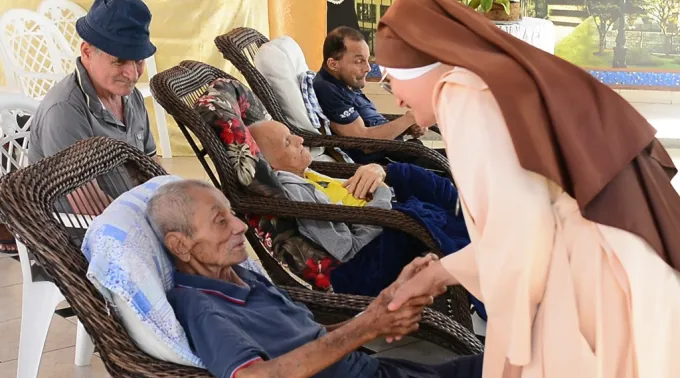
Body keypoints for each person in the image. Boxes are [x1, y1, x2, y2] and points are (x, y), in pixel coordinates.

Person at [374, 0, 680, 377]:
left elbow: (521, 236)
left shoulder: (460, 93)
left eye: (391, 78)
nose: (396, 96)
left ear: (424, 65)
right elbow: (527, 218)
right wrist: (440, 273)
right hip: (619, 254)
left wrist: (513, 354)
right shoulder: (493, 81)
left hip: (587, 279)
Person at [147, 179, 483, 378]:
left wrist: (381, 309)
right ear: (180, 244)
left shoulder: (241, 277)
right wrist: (367, 328)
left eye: (233, 214)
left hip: (380, 370)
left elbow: (309, 339)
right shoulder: (203, 307)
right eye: (221, 220)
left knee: (506, 362)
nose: (241, 226)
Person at [248, 120, 476, 302]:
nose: (300, 138)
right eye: (288, 142)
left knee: (431, 187)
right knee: (439, 213)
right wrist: (382, 197)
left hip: (377, 217)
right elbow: (348, 248)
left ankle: (481, 231)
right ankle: (479, 253)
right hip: (372, 249)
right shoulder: (295, 192)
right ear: (272, 166)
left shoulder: (307, 174)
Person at [27, 0, 159, 214]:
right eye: (120, 61)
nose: (133, 74)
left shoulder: (130, 96)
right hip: (78, 232)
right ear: (87, 52)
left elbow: (151, 167)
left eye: (139, 61)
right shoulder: (65, 110)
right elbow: (87, 205)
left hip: (127, 213)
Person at [313, 27, 435, 165]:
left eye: (367, 60)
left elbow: (371, 123)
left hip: (401, 151)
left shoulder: (346, 82)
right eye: (359, 61)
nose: (368, 68)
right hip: (388, 162)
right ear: (333, 64)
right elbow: (364, 143)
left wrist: (407, 126)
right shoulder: (328, 90)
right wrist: (410, 118)